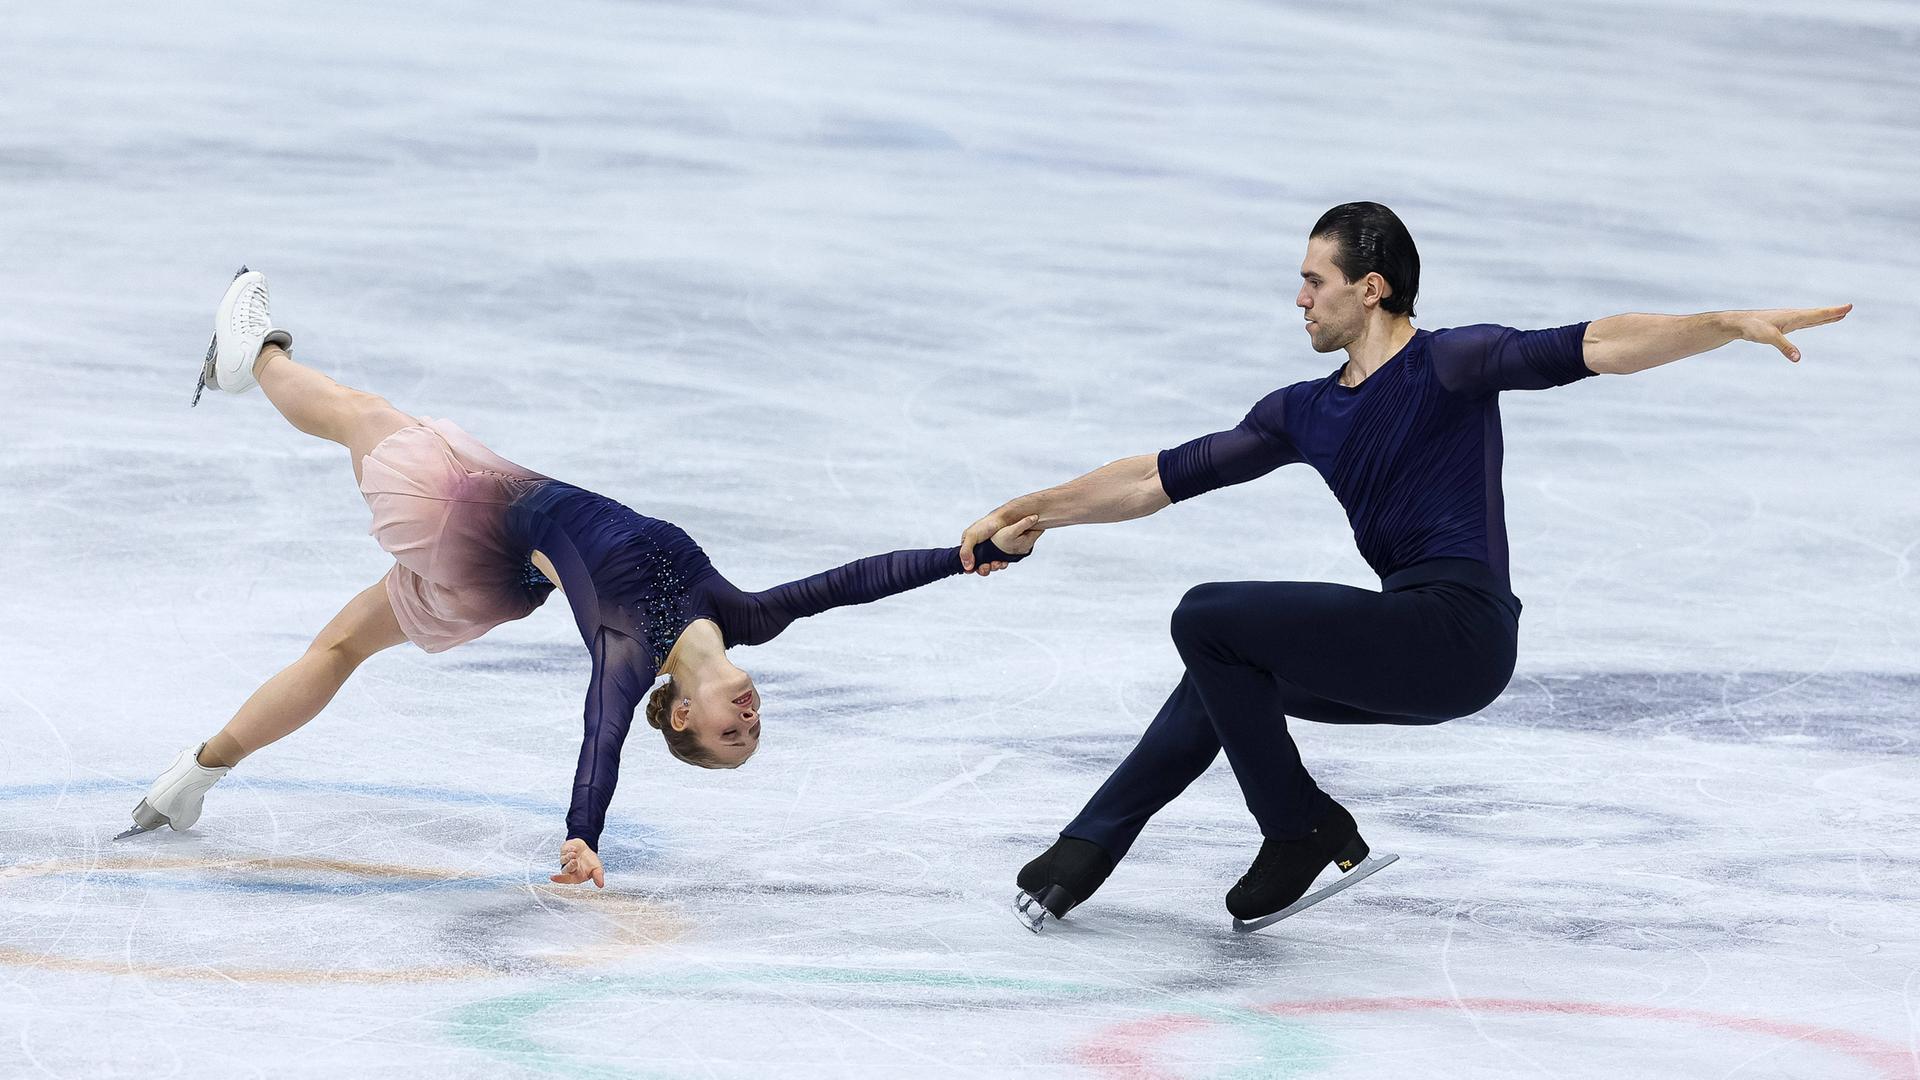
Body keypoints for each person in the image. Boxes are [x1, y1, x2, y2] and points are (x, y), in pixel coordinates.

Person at [959, 201, 1851, 930]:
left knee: (1207, 616)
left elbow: (1598, 344)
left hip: (1457, 631)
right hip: (1408, 645)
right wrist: (1031, 511)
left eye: (1315, 282)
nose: (1300, 300)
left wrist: (1723, 324)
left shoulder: (1449, 364)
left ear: (1371, 288)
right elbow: (1157, 477)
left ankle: (1298, 827)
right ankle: (1086, 851)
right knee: (1218, 669)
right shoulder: (1301, 411)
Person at [123, 268, 1036, 890]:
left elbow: (602, 734)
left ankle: (256, 357)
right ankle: (193, 775)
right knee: (343, 645)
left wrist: (583, 836)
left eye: (728, 735)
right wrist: (962, 557)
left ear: (681, 714)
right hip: (501, 577)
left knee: (365, 416)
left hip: (470, 521)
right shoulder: (743, 618)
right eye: (753, 731)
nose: (748, 720)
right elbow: (851, 581)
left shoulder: (630, 650)